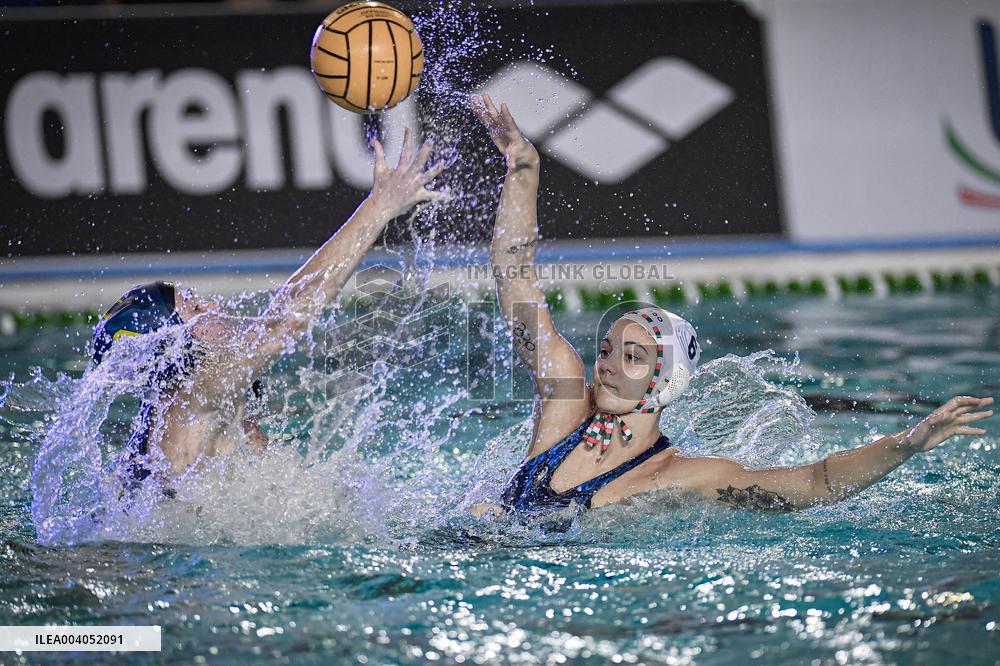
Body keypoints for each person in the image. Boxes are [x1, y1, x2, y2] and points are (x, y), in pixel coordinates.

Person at [469, 94, 994, 516]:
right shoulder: (565, 400)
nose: (604, 365)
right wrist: (524, 171)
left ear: (664, 381)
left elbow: (815, 482)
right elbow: (515, 282)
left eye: (631, 357)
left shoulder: (680, 476)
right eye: (607, 350)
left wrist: (909, 442)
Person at [90, 130, 448, 491]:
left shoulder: (181, 411)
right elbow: (284, 320)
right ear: (175, 345)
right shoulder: (195, 392)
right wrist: (380, 206)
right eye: (196, 308)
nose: (214, 307)